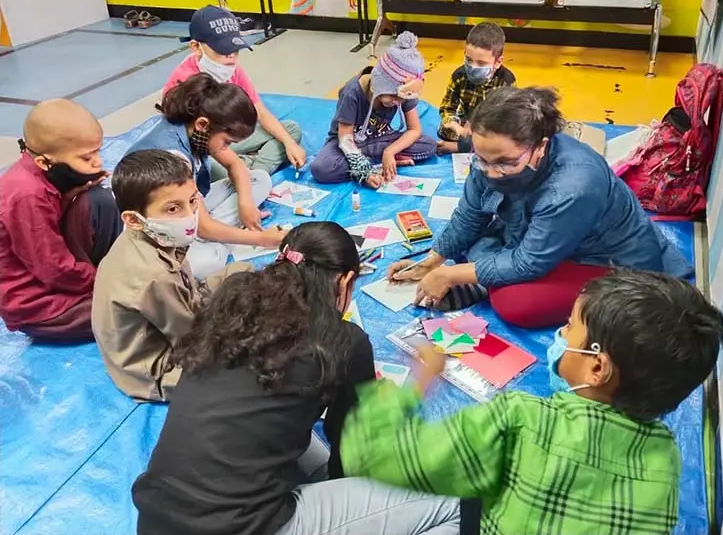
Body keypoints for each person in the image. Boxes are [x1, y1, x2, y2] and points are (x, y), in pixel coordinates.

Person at [132, 221, 460, 535]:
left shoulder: (230, 307)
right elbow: (354, 452)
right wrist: (417, 385)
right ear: (344, 282)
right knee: (456, 507)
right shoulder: (342, 341)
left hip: (158, 516)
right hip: (243, 526)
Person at [342, 270, 723, 535]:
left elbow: (380, 454)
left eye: (570, 326)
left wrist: (417, 383)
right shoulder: (667, 459)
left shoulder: (522, 419)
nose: (560, 333)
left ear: (598, 368)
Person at [389, 87, 693, 329]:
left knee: (515, 304)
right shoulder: (492, 157)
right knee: (468, 242)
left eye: (505, 163)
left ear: (542, 146)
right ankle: (484, 277)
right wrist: (431, 261)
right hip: (541, 238)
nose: (490, 172)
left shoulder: (574, 185)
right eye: (481, 159)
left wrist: (452, 275)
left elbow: (528, 263)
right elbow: (471, 213)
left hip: (604, 259)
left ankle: (485, 281)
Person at [93, 150, 251, 402]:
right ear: (134, 219)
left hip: (178, 314)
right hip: (158, 370)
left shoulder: (148, 238)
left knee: (243, 272)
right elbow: (191, 340)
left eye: (192, 201)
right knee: (253, 359)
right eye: (173, 208)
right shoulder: (155, 275)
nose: (190, 216)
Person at [127, 74, 285, 280]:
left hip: (191, 208)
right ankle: (222, 238)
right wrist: (262, 239)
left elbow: (235, 164)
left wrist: (246, 204)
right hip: (167, 226)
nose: (227, 148)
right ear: (203, 124)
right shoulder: (173, 156)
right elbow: (203, 228)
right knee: (208, 262)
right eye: (227, 142)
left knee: (259, 179)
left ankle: (223, 234)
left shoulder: (195, 130)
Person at [0, 99, 121, 342]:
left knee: (100, 200)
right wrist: (105, 281)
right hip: (41, 304)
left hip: (58, 272)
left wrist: (69, 197)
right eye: (86, 158)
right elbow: (53, 269)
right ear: (44, 161)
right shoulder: (26, 196)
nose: (97, 162)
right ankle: (107, 286)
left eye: (98, 151)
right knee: (133, 311)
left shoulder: (44, 177)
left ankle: (111, 275)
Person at [165, 5, 305, 178]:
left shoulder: (232, 69)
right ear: (196, 47)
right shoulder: (183, 84)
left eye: (235, 51)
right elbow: (190, 143)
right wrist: (236, 167)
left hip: (230, 137)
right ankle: (251, 171)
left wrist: (289, 143)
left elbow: (260, 111)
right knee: (213, 171)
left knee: (290, 130)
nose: (231, 58)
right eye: (222, 51)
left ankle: (255, 170)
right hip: (206, 148)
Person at [311, 31, 437, 188]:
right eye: (393, 97)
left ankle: (382, 159)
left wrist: (390, 152)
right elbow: (345, 140)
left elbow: (415, 130)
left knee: (429, 146)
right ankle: (372, 164)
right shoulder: (352, 93)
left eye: (402, 99)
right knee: (322, 169)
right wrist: (365, 172)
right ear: (380, 84)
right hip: (348, 141)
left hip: (380, 140)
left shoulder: (402, 94)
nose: (398, 102)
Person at [437, 22, 516, 155]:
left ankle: (458, 148)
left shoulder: (506, 81)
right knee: (444, 131)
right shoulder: (459, 76)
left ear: (498, 62)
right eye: (468, 59)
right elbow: (447, 108)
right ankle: (471, 147)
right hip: (464, 122)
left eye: (481, 63)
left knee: (508, 140)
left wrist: (479, 129)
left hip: (489, 126)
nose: (473, 67)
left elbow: (507, 118)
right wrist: (456, 126)